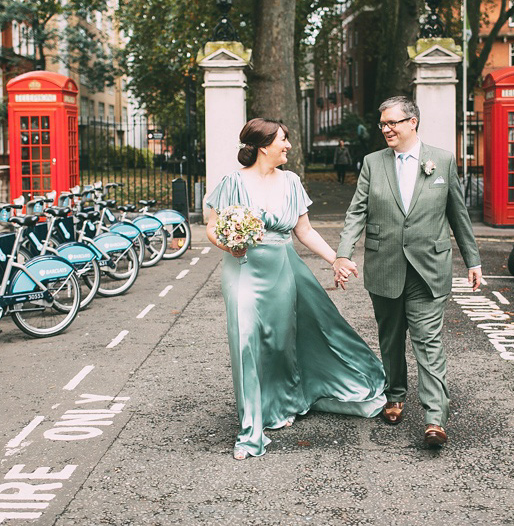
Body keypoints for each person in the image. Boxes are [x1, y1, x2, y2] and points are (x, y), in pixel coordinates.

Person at [205, 118, 386, 460]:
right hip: (243, 268)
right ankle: (251, 427)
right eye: (283, 140)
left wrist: (337, 259)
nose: (288, 145)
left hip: (282, 267)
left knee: (280, 339)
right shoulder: (232, 182)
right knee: (246, 340)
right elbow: (213, 227)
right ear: (263, 146)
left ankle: (281, 404)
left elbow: (305, 231)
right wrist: (230, 245)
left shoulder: (291, 181)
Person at [333, 96, 482, 448]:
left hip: (429, 267)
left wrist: (473, 261)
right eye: (382, 124)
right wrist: (343, 254)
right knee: (390, 338)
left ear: (412, 122)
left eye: (392, 123)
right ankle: (395, 394)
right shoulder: (372, 163)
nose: (386, 129)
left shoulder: (441, 161)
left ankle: (435, 419)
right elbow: (357, 213)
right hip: (384, 265)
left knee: (428, 343)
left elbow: (457, 214)